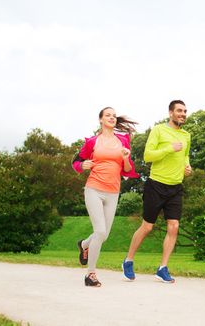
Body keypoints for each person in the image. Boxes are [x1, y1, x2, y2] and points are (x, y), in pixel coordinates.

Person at [122, 100, 192, 283]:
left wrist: (187, 166)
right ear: (171, 113)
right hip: (156, 184)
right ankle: (128, 260)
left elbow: (185, 156)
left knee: (174, 226)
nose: (183, 114)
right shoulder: (159, 130)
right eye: (179, 111)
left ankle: (163, 268)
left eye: (184, 111)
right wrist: (169, 148)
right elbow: (148, 156)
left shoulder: (186, 135)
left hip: (176, 187)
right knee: (147, 227)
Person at [72, 107, 138, 287]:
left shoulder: (123, 141)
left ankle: (84, 244)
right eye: (108, 115)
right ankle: (90, 274)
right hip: (94, 188)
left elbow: (127, 169)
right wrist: (82, 165)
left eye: (114, 116)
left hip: (113, 192)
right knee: (100, 231)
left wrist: (125, 158)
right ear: (101, 120)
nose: (112, 117)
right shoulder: (93, 142)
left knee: (104, 235)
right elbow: (76, 162)